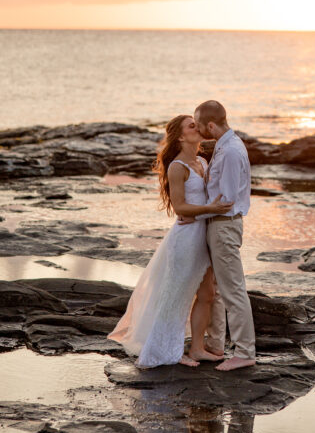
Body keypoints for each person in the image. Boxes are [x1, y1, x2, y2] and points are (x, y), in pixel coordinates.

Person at [107, 115, 233, 368]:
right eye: (191, 125)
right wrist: (210, 208)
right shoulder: (177, 167)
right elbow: (180, 208)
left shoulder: (201, 161)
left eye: (196, 123)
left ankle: (197, 348)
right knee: (177, 296)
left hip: (205, 234)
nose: (197, 127)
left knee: (207, 294)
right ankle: (167, 351)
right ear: (180, 137)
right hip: (186, 238)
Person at [179, 99, 256, 371]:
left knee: (232, 290)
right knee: (219, 291)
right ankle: (216, 344)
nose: (198, 130)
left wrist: (195, 214)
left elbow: (227, 198)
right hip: (216, 224)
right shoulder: (224, 146)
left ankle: (246, 352)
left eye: (200, 125)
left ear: (211, 124)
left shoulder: (232, 151)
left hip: (224, 225)